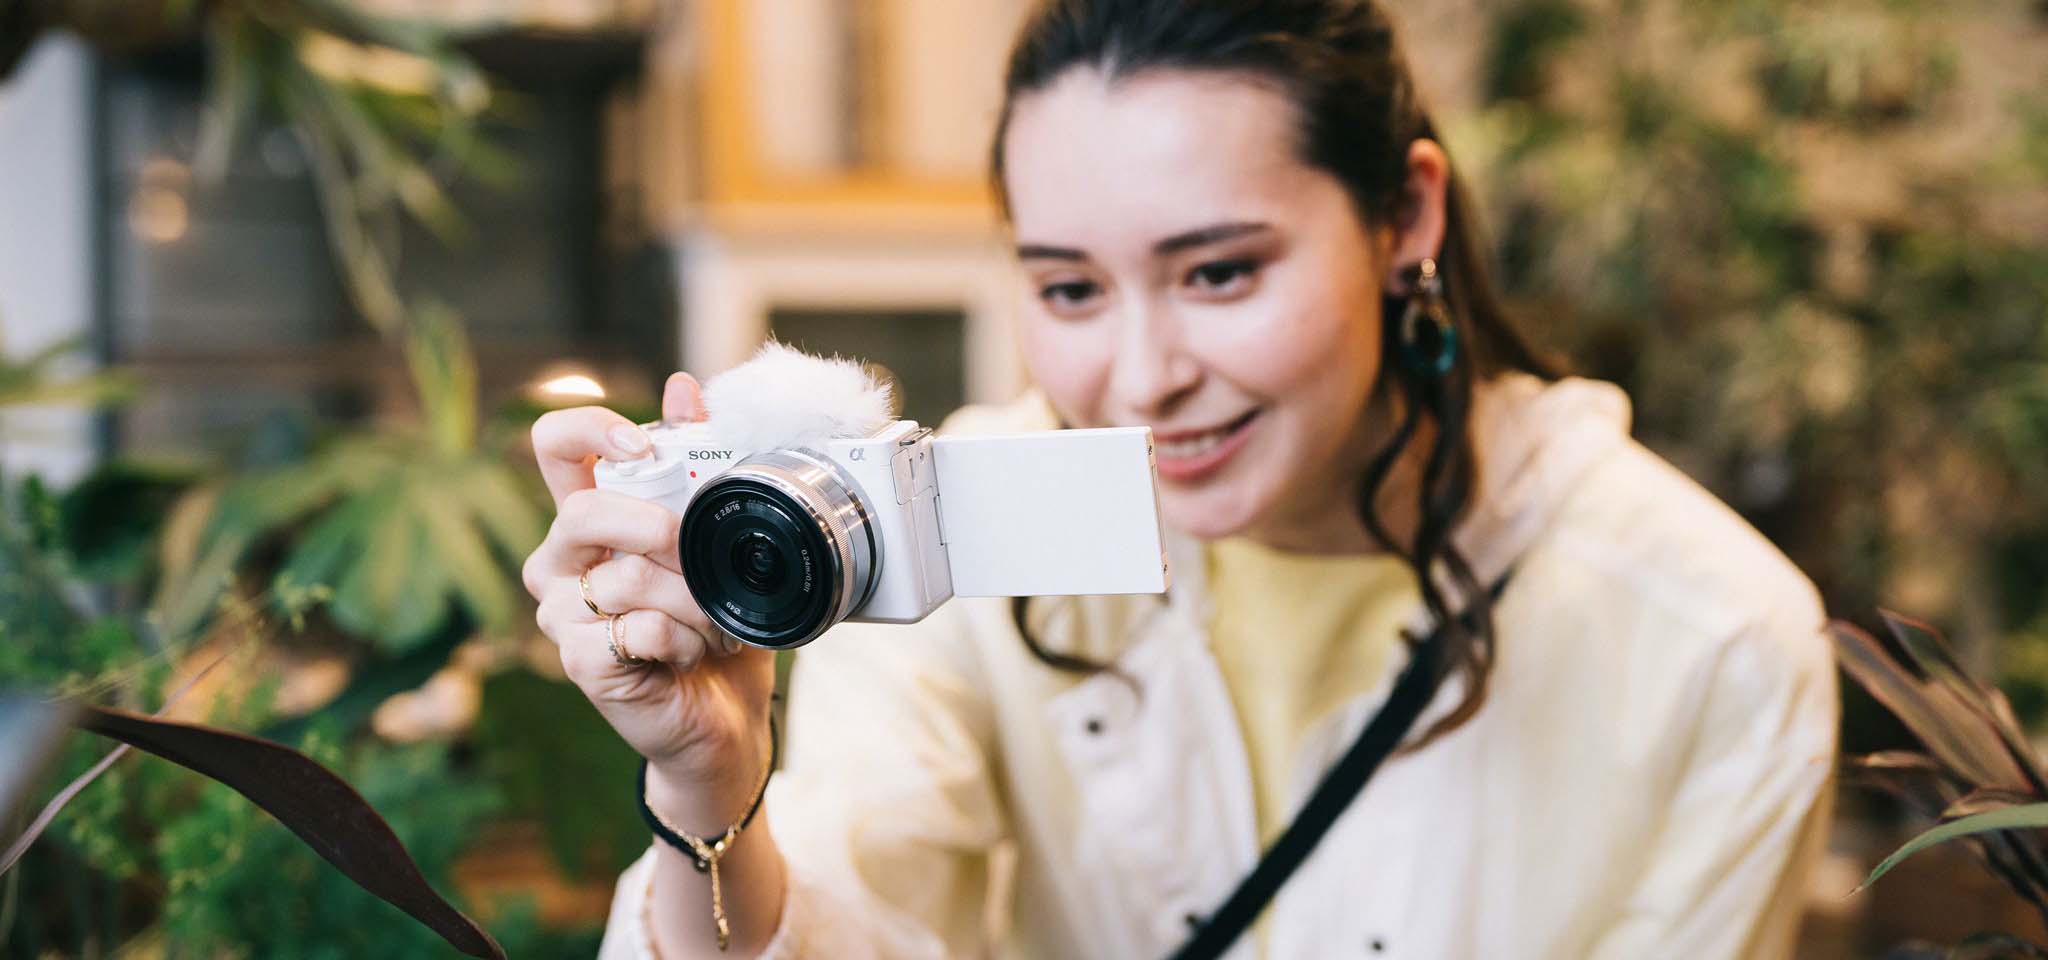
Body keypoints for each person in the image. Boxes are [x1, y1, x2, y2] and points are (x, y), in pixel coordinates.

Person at [521, 1, 1839, 956]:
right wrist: (709, 783)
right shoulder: (952, 526)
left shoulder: (1711, 634)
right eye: (1069, 288)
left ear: (1407, 219)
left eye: (1220, 272)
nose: (1144, 378)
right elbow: (846, 921)